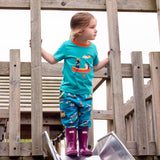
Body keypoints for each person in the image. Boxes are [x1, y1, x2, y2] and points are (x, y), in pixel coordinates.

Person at [41, 12, 109, 156]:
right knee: (70, 120)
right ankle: (71, 147)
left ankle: (83, 147)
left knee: (84, 121)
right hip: (68, 93)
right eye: (92, 27)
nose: (96, 30)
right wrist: (39, 49)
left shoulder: (93, 48)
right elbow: (53, 59)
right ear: (80, 30)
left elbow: (94, 67)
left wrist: (107, 60)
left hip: (85, 93)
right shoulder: (67, 46)